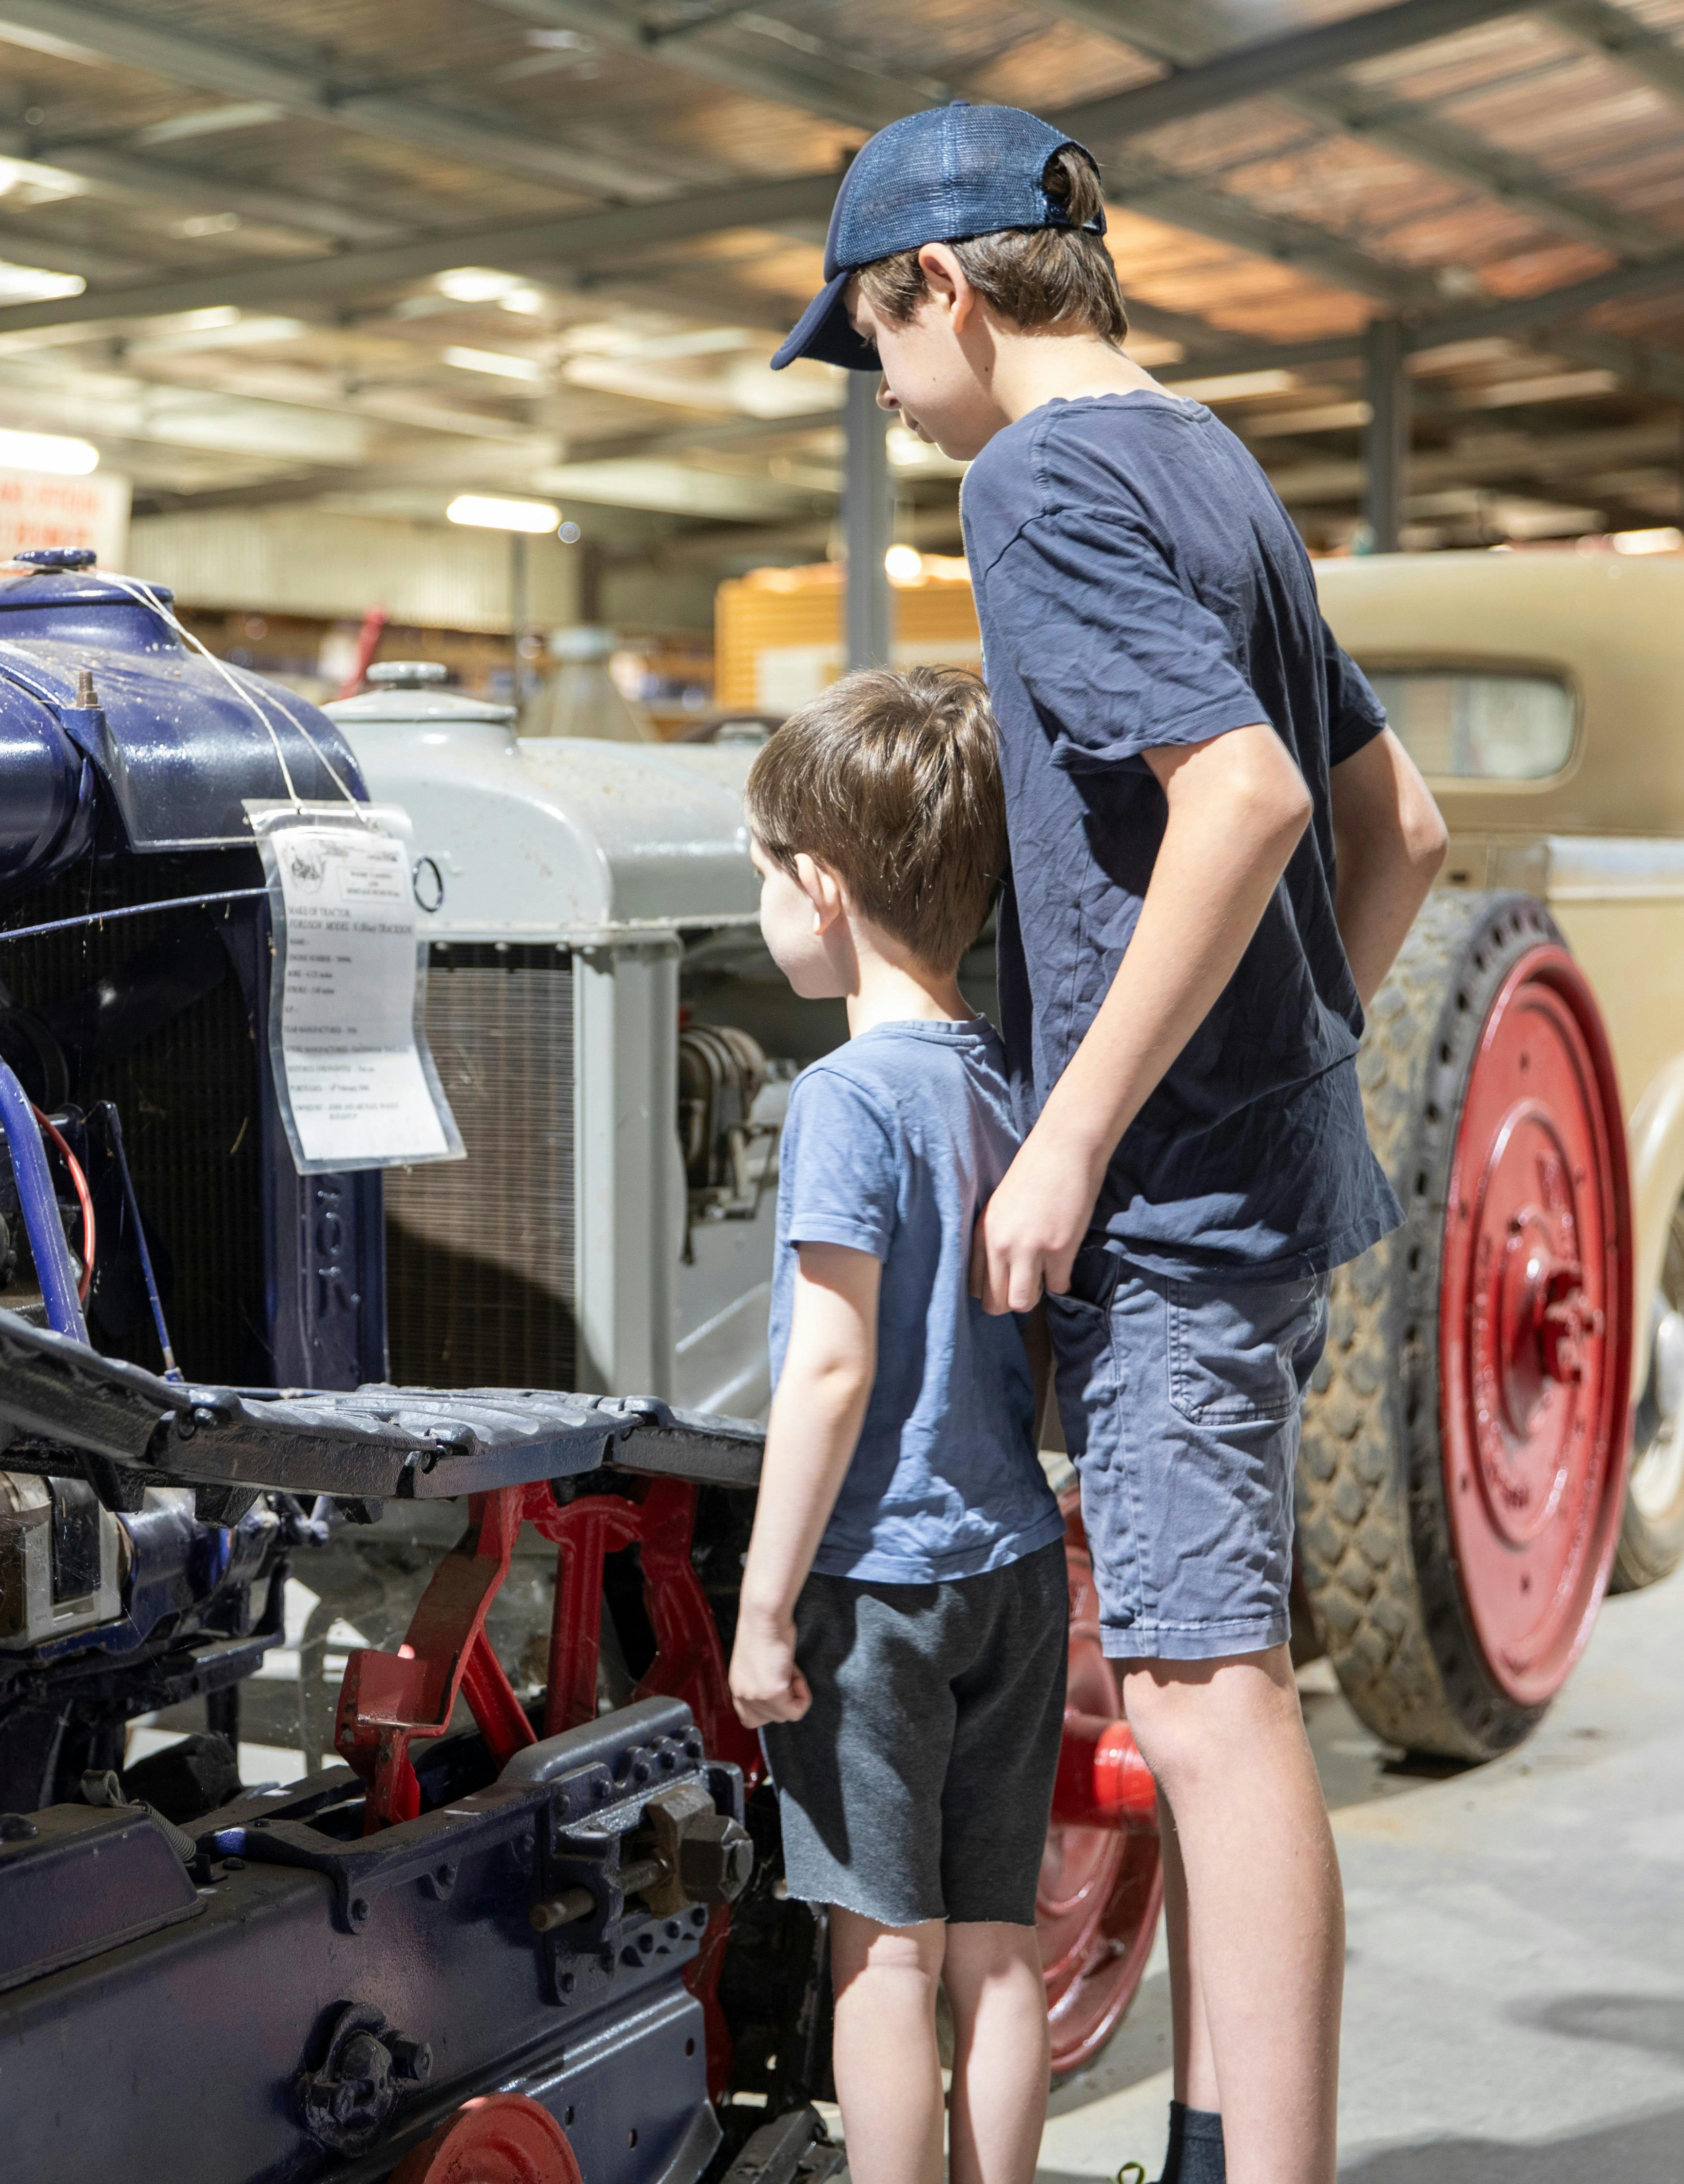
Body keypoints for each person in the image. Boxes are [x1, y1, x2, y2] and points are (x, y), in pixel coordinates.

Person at [769, 104, 1451, 2184]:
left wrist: (1072, 1135)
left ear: (946, 290)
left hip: (1169, 1223)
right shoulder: (1206, 455)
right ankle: (1219, 2140)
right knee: (1213, 1681)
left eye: (875, 343)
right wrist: (1274, 1066)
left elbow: (1244, 800)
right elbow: (1397, 828)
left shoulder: (1041, 478)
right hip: (1263, 1193)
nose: (883, 393)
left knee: (1209, 1703)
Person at [726, 664, 1069, 2184]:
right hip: (1018, 1570)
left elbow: (830, 1369)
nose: (761, 912)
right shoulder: (1012, 1080)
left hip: (880, 1591)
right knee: (999, 1949)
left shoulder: (845, 1099)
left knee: (886, 1956)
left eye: (760, 877)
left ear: (823, 887)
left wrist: (761, 1602)